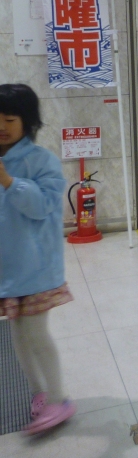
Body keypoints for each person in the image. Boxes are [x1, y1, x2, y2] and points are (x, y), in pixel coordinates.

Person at [0, 84, 77, 434]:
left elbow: (44, 205)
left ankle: (60, 399)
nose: (2, 126)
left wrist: (9, 182)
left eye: (9, 119)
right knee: (18, 336)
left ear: (27, 121)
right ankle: (39, 393)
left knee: (36, 335)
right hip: (7, 269)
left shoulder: (41, 160)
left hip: (36, 268)